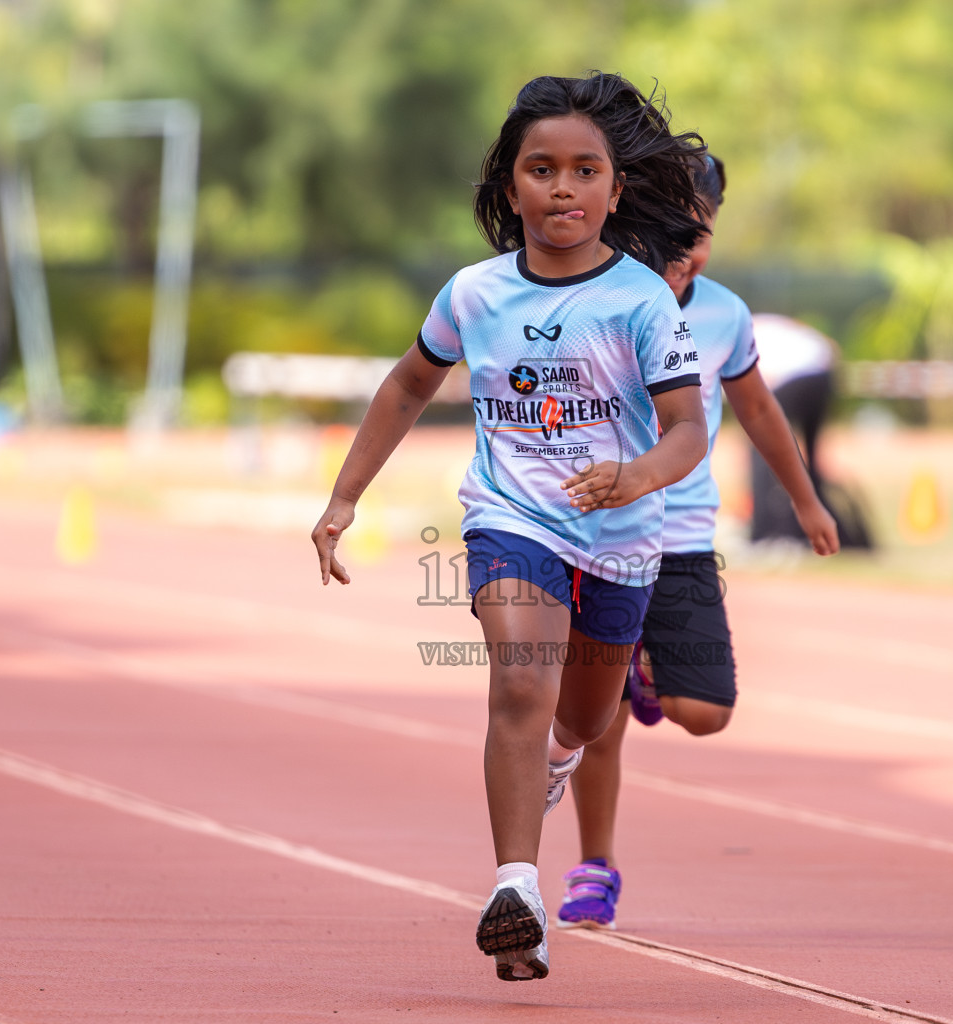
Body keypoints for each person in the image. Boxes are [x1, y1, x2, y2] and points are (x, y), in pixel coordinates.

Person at [310, 72, 710, 982]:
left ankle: (557, 765)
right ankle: (518, 891)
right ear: (508, 186)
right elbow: (410, 384)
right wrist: (345, 497)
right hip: (510, 516)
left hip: (621, 536)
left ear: (614, 190)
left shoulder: (642, 301)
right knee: (520, 686)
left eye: (583, 171)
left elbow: (689, 428)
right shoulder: (475, 294)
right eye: (541, 169)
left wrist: (634, 477)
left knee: (584, 716)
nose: (561, 188)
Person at [558, 154, 839, 931]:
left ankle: (648, 676)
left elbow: (761, 414)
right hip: (600, 539)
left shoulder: (723, 315)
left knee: (706, 711)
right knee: (596, 723)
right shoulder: (598, 298)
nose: (687, 243)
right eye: (672, 226)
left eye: (702, 229)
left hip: (681, 542)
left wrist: (808, 501)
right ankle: (595, 867)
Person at [747, 313, 837, 543]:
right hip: (823, 374)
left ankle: (766, 530)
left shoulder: (732, 330)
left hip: (790, 377)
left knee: (761, 447)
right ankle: (822, 519)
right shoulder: (771, 322)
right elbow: (830, 348)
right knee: (811, 454)